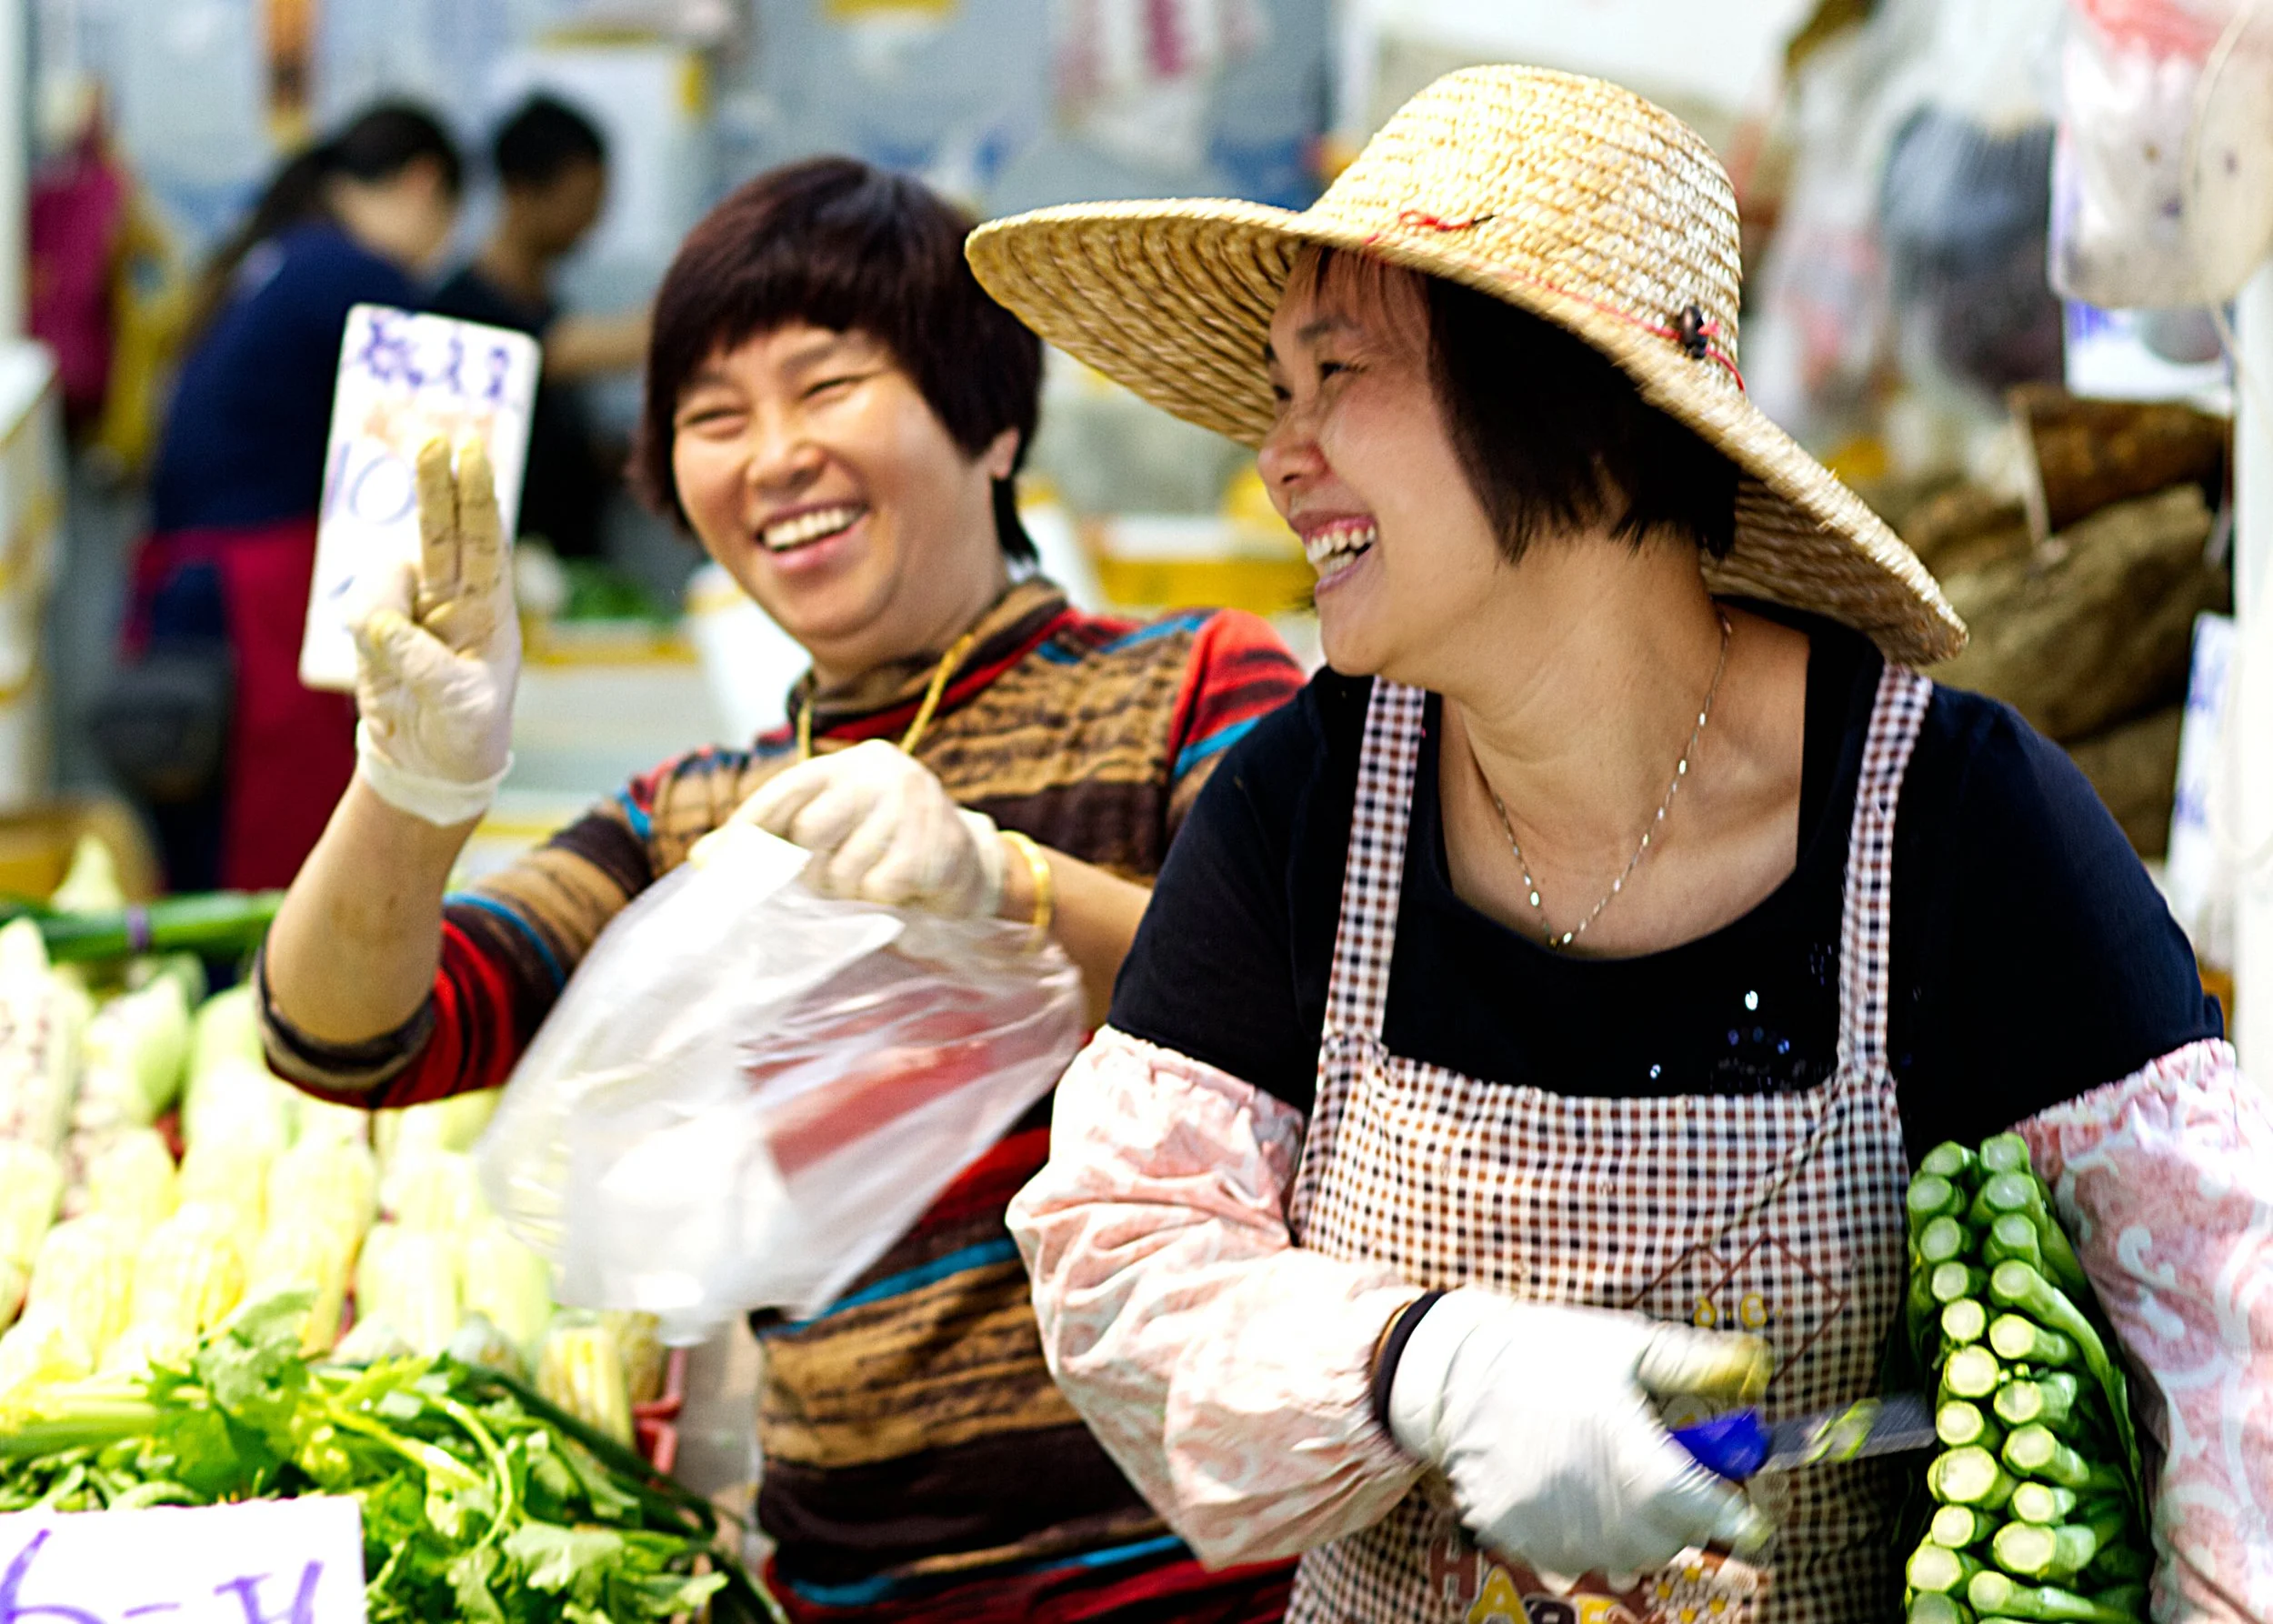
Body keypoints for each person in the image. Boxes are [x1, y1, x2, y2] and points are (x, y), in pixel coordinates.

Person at [975, 65, 2273, 1623]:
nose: (1283, 453)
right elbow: (1126, 1266)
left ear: (1575, 407)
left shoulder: (1951, 825)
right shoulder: (1305, 805)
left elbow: (2223, 1360)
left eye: (1336, 374)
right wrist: (1423, 1364)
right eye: (1277, 391)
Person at [255, 157, 1308, 1622]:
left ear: (990, 416)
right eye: (712, 417)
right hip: (844, 1590)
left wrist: (1005, 883)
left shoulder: (1192, 684)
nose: (772, 456)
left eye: (828, 386)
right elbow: (351, 1037)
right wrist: (413, 788)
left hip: (1193, 1581)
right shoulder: (693, 812)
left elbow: (1320, 1023)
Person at [131, 102, 462, 891]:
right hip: (258, 604)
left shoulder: (280, 255)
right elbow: (430, 455)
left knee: (202, 863)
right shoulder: (355, 273)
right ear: (424, 184)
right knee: (271, 865)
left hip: (188, 591)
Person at [428, 94, 647, 560]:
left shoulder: (548, 302)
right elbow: (576, 350)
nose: (591, 223)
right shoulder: (462, 308)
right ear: (521, 192)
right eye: (582, 202)